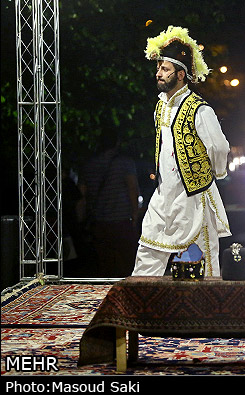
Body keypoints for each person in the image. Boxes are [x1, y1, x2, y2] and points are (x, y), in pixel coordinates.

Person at [131, 25, 231, 277]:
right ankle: (141, 309)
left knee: (204, 259)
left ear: (181, 74)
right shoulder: (160, 107)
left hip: (193, 195)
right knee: (148, 251)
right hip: (164, 194)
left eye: (165, 69)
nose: (158, 73)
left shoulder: (199, 108)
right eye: (158, 68)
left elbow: (219, 146)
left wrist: (216, 174)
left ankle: (210, 312)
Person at [78, 127, 140, 277]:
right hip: (122, 220)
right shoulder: (125, 163)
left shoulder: (89, 164)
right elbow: (132, 189)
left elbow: (83, 194)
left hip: (98, 221)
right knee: (126, 264)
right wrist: (135, 215)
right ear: (117, 143)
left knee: (104, 264)